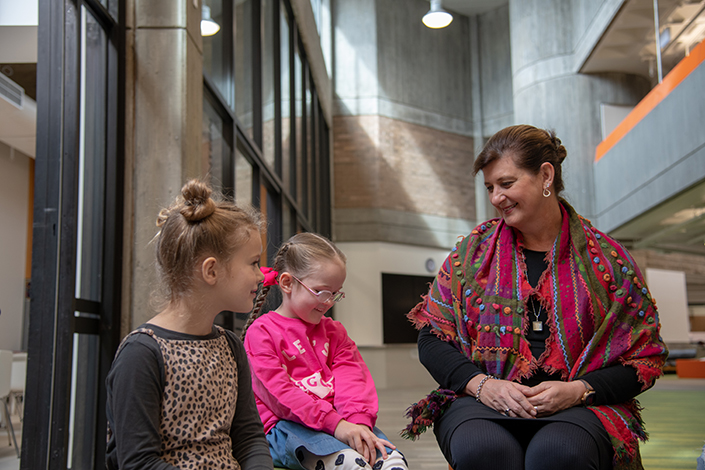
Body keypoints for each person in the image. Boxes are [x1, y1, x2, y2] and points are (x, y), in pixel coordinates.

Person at [404, 125, 668, 470]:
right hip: (484, 402)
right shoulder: (471, 254)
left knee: (558, 455)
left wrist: (580, 390)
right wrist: (483, 385)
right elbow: (432, 337)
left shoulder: (608, 260)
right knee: (483, 451)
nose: (496, 197)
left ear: (546, 175)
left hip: (580, 408)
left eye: (506, 183)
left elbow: (644, 358)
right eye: (490, 187)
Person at [105, 180, 273, 470]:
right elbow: (138, 462)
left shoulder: (230, 346)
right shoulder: (141, 354)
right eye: (253, 263)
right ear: (211, 270)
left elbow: (248, 436)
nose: (261, 276)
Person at [242, 233, 408, 470]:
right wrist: (336, 425)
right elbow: (279, 395)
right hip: (287, 427)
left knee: (389, 459)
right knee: (350, 462)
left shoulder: (335, 332)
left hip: (340, 422)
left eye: (335, 293)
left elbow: (354, 381)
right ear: (287, 283)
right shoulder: (262, 333)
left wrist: (357, 423)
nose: (329, 301)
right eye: (321, 292)